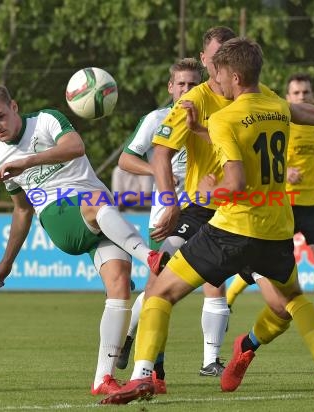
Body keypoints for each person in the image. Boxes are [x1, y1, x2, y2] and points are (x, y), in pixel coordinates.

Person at [100, 37, 314, 405]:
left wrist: (208, 190)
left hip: (229, 223)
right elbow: (165, 151)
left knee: (161, 294)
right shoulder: (271, 105)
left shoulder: (227, 114)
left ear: (232, 73)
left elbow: (234, 178)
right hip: (274, 223)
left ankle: (146, 373)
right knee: (293, 300)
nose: (212, 70)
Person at [0, 84, 168, 396]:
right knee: (94, 201)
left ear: (14, 106)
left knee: (119, 286)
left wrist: (26, 161)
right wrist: (6, 262)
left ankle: (102, 379)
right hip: (60, 216)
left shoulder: (46, 120)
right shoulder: (0, 158)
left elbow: (76, 147)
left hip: (100, 215)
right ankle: (150, 256)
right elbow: (22, 210)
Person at [226, 73, 314, 334]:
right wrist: (287, 169)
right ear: (287, 96)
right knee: (259, 258)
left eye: (306, 92)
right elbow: (265, 153)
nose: (302, 97)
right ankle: (227, 300)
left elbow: (309, 152)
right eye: (297, 93)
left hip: (313, 200)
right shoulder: (281, 118)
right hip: (283, 201)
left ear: (312, 95)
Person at [115, 58, 203, 386]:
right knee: (159, 291)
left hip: (207, 213)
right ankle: (155, 368)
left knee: (174, 292)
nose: (186, 90)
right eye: (181, 84)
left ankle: (134, 340)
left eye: (193, 84)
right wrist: (158, 170)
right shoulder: (156, 119)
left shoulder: (211, 115)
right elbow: (127, 158)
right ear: (171, 87)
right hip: (165, 218)